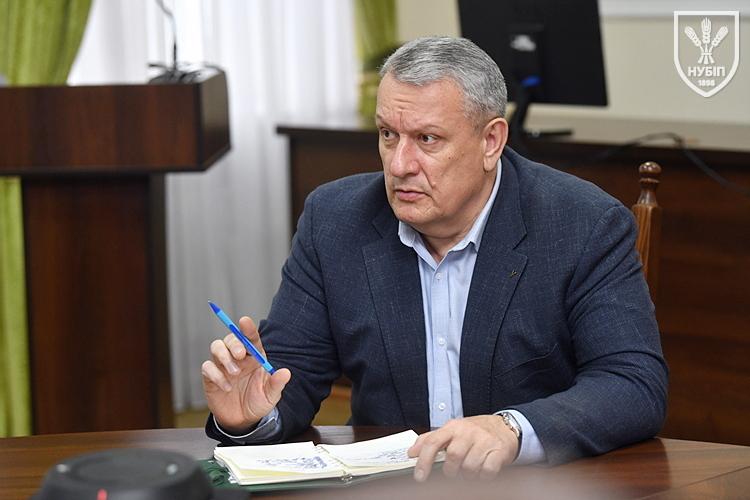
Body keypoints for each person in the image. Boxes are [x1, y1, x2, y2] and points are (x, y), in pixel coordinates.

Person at [201, 36, 668, 481]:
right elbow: (289, 371)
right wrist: (252, 416)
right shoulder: (336, 219)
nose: (399, 164)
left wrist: (510, 429)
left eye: (427, 139)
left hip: (533, 487)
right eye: (388, 134)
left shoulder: (581, 223)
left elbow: (632, 384)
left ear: (491, 141)